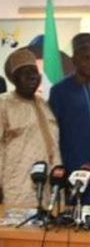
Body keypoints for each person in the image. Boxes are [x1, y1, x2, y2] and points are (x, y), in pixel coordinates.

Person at [49, 33, 90, 205]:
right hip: (73, 163)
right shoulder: (59, 91)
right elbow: (54, 132)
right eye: (86, 58)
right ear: (74, 60)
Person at [0, 48, 61, 207]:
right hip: (18, 190)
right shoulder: (4, 104)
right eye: (25, 72)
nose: (32, 76)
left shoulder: (43, 104)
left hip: (48, 188)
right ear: (14, 78)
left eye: (34, 71)